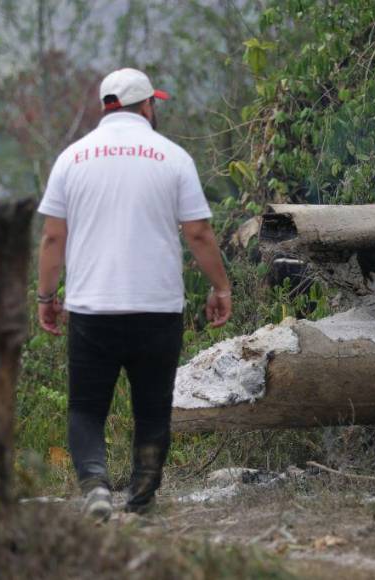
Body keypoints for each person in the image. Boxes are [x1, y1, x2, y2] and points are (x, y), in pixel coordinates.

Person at [35, 67, 232, 521]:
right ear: (147, 106)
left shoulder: (72, 158)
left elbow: (51, 239)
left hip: (92, 310)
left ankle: (96, 487)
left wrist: (46, 298)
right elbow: (199, 234)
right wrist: (220, 287)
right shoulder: (173, 157)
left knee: (86, 408)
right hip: (157, 309)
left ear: (107, 106)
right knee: (152, 407)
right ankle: (141, 497)